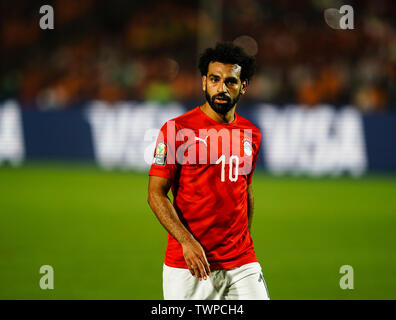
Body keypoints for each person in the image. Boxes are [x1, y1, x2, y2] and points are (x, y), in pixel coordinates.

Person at [147, 42, 269, 300]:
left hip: (242, 262)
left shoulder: (251, 134)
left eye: (231, 81)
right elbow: (156, 194)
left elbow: (244, 190)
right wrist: (187, 242)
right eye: (214, 79)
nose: (221, 88)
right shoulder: (177, 130)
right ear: (204, 82)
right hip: (189, 265)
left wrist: (242, 241)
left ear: (243, 86)